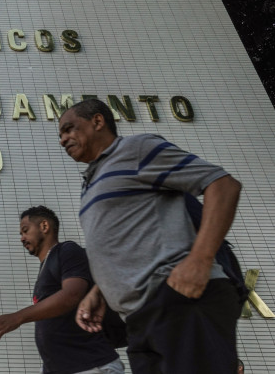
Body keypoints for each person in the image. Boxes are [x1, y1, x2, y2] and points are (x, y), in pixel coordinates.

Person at [58, 98, 244, 373]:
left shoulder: (136, 150)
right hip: (140, 318)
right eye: (60, 135)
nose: (63, 140)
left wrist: (200, 260)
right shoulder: (91, 182)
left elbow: (223, 184)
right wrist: (100, 291)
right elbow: (129, 238)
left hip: (177, 303)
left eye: (69, 129)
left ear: (98, 121)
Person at [0, 206, 123, 374]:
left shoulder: (66, 251)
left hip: (90, 366)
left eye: (25, 230)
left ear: (44, 226)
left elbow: (72, 294)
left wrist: (18, 317)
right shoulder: (46, 267)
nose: (22, 238)